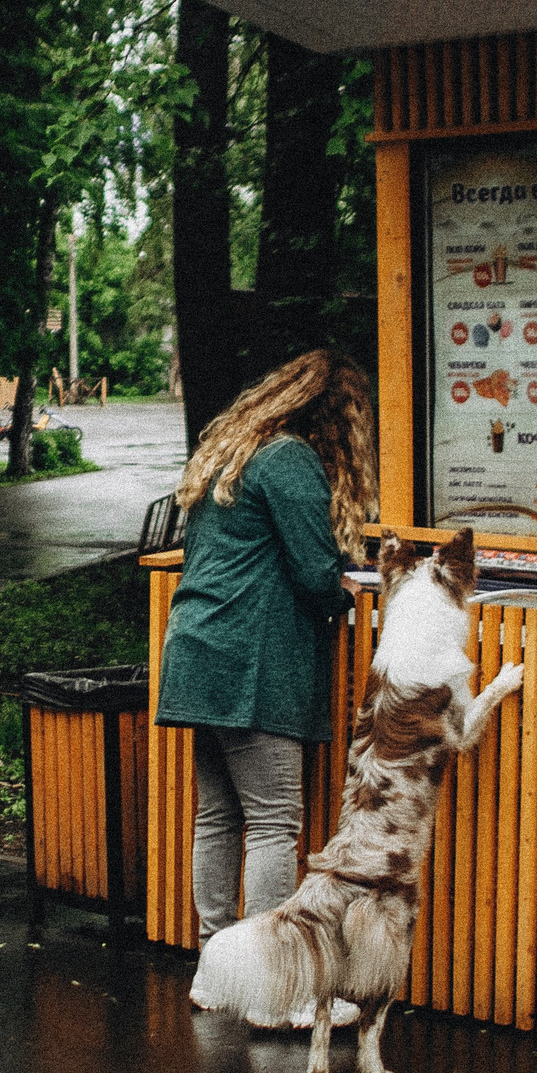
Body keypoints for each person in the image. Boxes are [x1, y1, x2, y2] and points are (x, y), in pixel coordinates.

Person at [154, 349, 379, 1022]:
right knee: (275, 824)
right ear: (335, 420)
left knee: (218, 818)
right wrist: (344, 589)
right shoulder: (289, 461)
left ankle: (215, 973)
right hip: (252, 661)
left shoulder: (234, 452)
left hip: (196, 649)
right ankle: (273, 988)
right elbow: (315, 573)